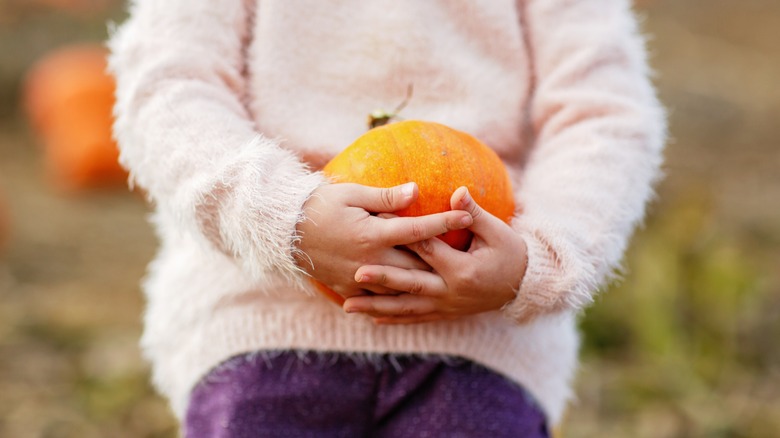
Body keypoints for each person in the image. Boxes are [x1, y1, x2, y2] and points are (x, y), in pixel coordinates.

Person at [108, 0, 666, 436]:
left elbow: (603, 113)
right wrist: (286, 219)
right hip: (257, 321)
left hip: (484, 341)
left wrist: (539, 262)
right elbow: (168, 89)